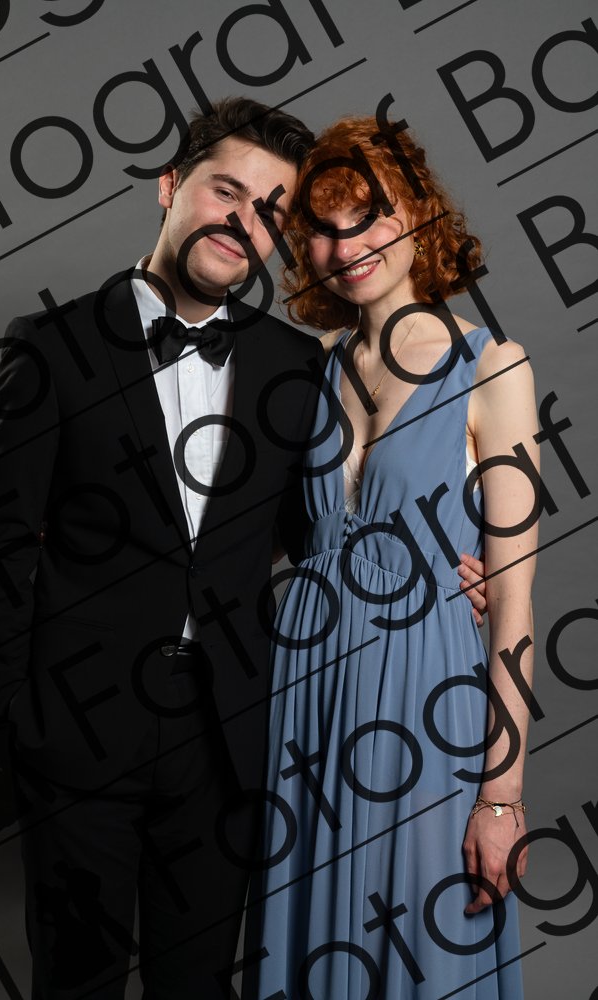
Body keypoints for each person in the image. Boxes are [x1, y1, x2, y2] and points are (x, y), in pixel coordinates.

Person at [0, 97, 488, 999]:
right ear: (171, 186)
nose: (244, 222)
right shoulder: (52, 349)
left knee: (200, 985)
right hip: (79, 734)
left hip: (234, 740)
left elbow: (325, 535)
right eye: (226, 191)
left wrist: (441, 573)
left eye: (271, 210)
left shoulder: (296, 366)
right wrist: (13, 715)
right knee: (75, 982)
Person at [245, 116, 537, 999]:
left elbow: (514, 603)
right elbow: (253, 535)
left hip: (425, 696)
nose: (348, 247)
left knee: (417, 939)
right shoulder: (305, 369)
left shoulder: (493, 366)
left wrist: (501, 796)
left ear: (416, 212)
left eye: (368, 216)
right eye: (323, 229)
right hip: (305, 691)